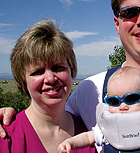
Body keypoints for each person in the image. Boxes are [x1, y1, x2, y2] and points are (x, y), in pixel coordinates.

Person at [0, 0, 140, 153]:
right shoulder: (90, 90)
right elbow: (49, 115)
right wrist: (7, 116)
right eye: (129, 13)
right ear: (117, 23)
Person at [0, 20, 95, 153]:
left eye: (58, 68)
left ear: (71, 70)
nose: (50, 78)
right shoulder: (6, 137)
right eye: (37, 71)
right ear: (23, 80)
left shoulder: (90, 130)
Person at [57, 66, 140, 153]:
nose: (122, 106)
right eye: (113, 101)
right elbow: (87, 137)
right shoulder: (108, 126)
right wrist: (70, 142)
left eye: (131, 98)